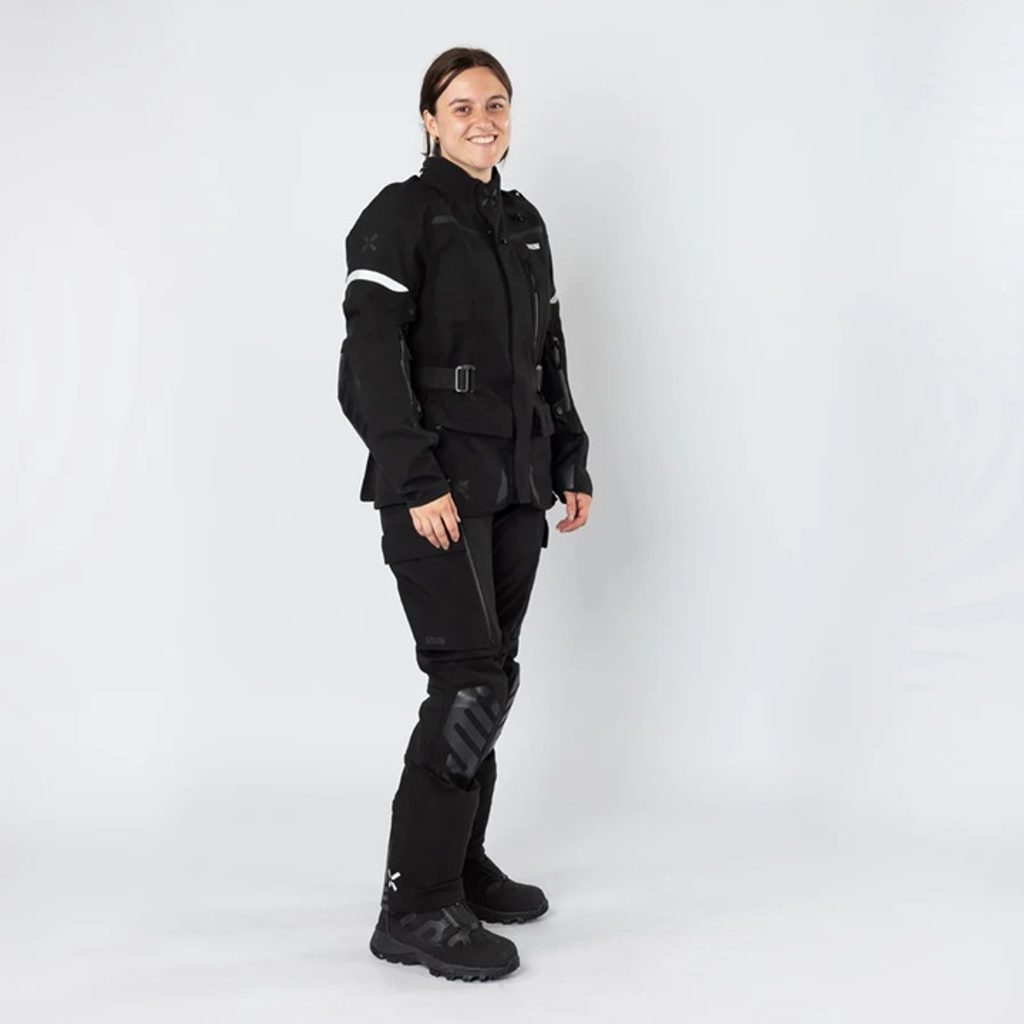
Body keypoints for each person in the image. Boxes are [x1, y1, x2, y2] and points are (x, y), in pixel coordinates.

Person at [337, 46, 594, 982]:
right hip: (437, 492)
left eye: (496, 104)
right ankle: (414, 905)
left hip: (516, 486)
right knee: (469, 683)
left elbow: (546, 351)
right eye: (461, 106)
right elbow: (368, 366)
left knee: (495, 676)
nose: (482, 119)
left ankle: (457, 865)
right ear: (429, 119)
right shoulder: (401, 215)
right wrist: (416, 480)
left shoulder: (522, 223)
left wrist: (569, 455)